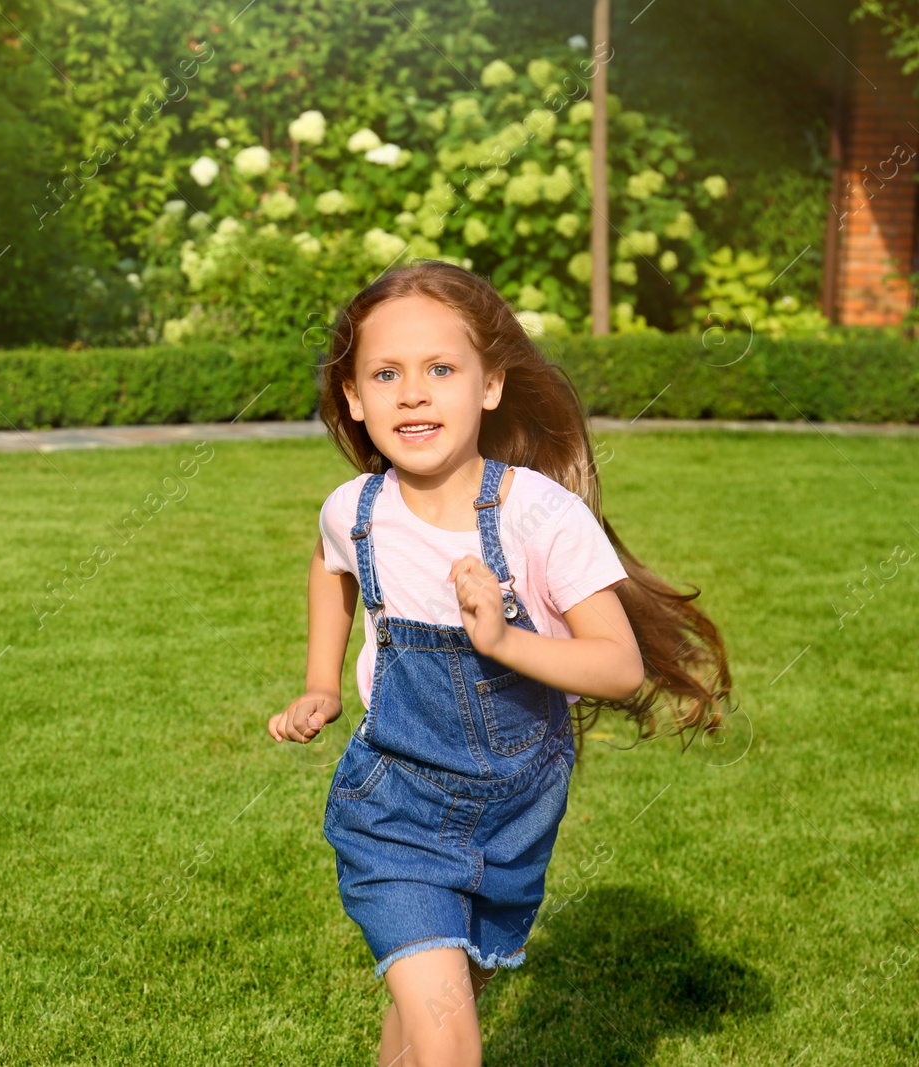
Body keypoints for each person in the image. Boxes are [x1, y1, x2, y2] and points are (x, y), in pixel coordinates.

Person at [266, 261, 731, 1067]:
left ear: (489, 385)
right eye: (386, 373)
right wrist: (319, 682)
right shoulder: (356, 512)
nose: (412, 393)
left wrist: (505, 641)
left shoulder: (542, 517)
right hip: (394, 813)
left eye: (440, 369)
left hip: (508, 823)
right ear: (352, 397)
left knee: (426, 1026)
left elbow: (619, 666)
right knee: (452, 1045)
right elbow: (328, 565)